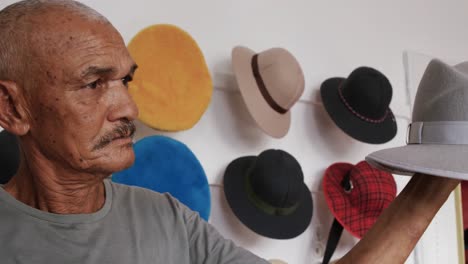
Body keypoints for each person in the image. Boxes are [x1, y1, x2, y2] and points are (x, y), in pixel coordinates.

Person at [0, 1, 460, 263]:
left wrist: (439, 174)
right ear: (12, 106)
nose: (129, 107)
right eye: (93, 83)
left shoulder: (167, 220)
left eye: (125, 80)